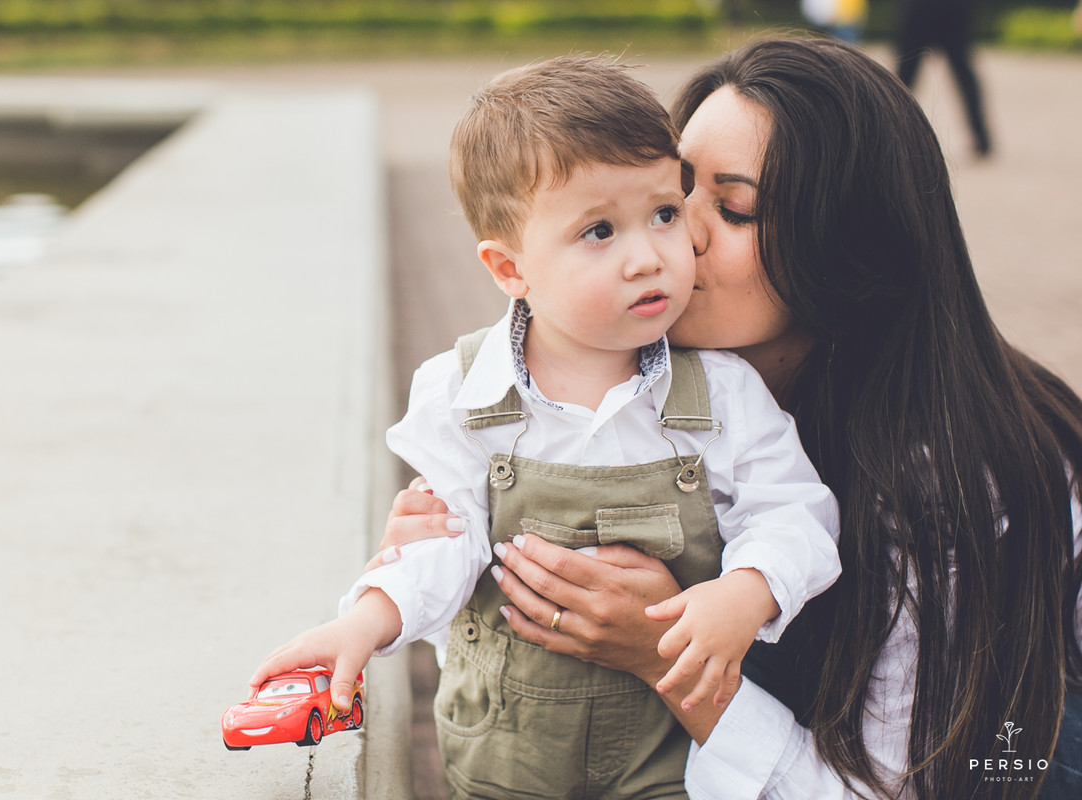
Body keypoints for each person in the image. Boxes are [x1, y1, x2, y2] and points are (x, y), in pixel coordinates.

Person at [377, 37, 1082, 799]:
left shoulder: (940, 480)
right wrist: (459, 550)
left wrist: (663, 656)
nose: (672, 241)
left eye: (735, 209)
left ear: (845, 253)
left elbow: (885, 790)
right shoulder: (631, 385)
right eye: (672, 197)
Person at [251, 55, 840, 799]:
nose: (650, 256)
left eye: (663, 212)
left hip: (665, 762)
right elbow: (442, 537)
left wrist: (745, 591)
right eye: (600, 231)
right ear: (509, 268)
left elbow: (795, 513)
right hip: (503, 759)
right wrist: (365, 624)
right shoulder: (463, 392)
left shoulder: (723, 392)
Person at [894, 0, 992, 158]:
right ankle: (982, 138)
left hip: (923, 7)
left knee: (904, 75)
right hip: (953, 7)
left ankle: (890, 131)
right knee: (962, 69)